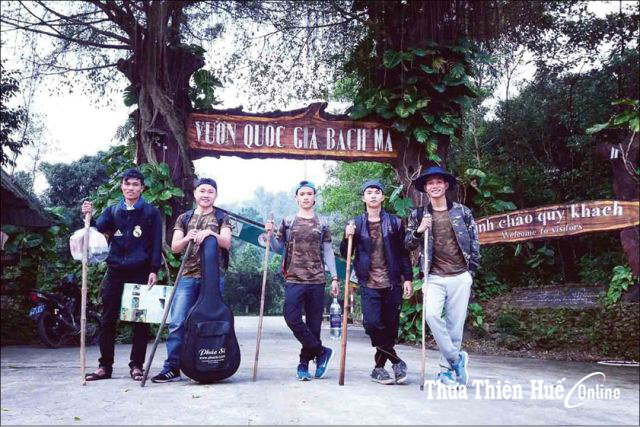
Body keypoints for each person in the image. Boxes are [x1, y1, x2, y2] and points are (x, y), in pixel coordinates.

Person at [82, 168, 163, 381]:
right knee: (108, 318)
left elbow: (156, 243)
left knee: (140, 320)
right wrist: (89, 216)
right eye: (127, 184)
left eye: (135, 185)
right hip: (115, 270)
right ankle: (104, 367)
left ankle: (137, 366)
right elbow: (97, 230)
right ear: (122, 186)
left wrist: (154, 269)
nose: (131, 188)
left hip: (141, 271)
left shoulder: (151, 212)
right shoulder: (113, 211)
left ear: (142, 188)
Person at [404, 166, 480, 387]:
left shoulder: (462, 212)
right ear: (425, 188)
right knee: (431, 316)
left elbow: (475, 242)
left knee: (455, 326)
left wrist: (470, 272)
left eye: (439, 182)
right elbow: (407, 244)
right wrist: (419, 230)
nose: (435, 186)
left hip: (460, 276)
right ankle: (456, 360)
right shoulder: (419, 214)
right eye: (430, 183)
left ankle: (446, 372)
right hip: (434, 276)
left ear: (446, 185)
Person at [151, 177, 232, 383]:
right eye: (202, 191)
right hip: (187, 277)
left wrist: (210, 233)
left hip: (213, 279)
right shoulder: (184, 218)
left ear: (216, 195)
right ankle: (172, 367)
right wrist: (188, 237)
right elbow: (175, 247)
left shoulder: (222, 217)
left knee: (210, 322)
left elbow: (226, 242)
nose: (206, 195)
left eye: (210, 191)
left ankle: (210, 364)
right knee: (178, 322)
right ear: (195, 193)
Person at [265, 180, 339, 381]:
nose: (306, 197)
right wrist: (270, 235)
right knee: (291, 317)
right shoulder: (288, 221)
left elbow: (328, 251)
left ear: (314, 197)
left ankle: (304, 364)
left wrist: (334, 277)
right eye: (302, 194)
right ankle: (321, 351)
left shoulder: (322, 223)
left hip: (317, 279)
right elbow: (278, 248)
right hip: (294, 278)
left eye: (309, 194)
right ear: (296, 198)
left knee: (314, 325)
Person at [342, 180, 413, 385]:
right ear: (363, 198)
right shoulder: (356, 223)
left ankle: (379, 369)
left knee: (390, 328)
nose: (373, 195)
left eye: (376, 192)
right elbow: (345, 252)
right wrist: (347, 237)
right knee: (372, 324)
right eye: (369, 192)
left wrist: (408, 278)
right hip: (368, 282)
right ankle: (397, 361)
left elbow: (403, 253)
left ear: (382, 197)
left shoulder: (395, 222)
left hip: (392, 282)